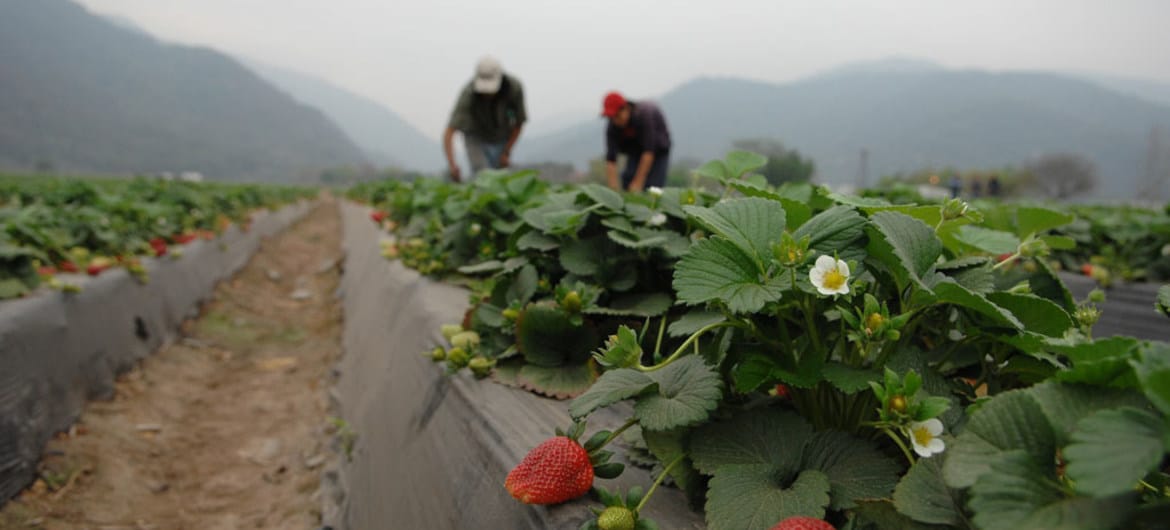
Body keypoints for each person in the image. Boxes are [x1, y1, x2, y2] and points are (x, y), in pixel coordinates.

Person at [443, 56, 527, 182]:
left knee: (500, 178)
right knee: (482, 174)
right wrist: (452, 165)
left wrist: (506, 152)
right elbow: (450, 131)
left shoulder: (513, 89)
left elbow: (519, 123)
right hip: (475, 135)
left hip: (501, 135)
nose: (487, 94)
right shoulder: (468, 93)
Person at [601, 91, 672, 192]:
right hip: (635, 151)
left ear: (625, 108)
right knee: (627, 180)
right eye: (612, 118)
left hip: (658, 151)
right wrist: (613, 191)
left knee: (652, 187)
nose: (615, 121)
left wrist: (638, 183)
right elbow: (611, 160)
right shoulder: (613, 125)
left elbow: (649, 152)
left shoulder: (644, 114)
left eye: (617, 116)